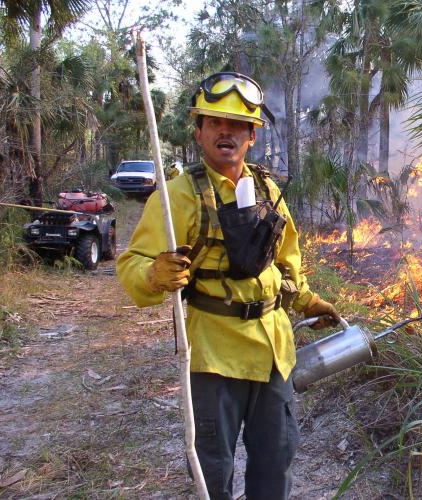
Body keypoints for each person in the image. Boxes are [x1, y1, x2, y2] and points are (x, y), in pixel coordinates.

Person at [116, 72, 340, 499]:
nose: (226, 131)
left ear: (252, 135)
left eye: (237, 124)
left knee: (276, 464)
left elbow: (285, 264)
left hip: (273, 352)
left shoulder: (267, 189)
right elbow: (133, 263)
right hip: (214, 355)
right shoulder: (178, 196)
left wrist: (308, 301)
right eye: (215, 121)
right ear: (199, 131)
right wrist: (153, 275)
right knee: (213, 470)